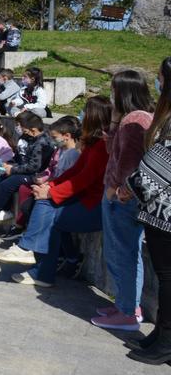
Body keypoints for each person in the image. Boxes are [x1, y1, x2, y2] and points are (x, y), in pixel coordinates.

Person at [0, 96, 111, 289]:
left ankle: (29, 253)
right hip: (85, 199)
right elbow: (74, 172)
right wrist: (50, 187)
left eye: (85, 111)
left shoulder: (101, 146)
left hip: (96, 205)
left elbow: (83, 179)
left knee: (49, 211)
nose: (82, 115)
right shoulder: (94, 143)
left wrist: (50, 192)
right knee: (46, 205)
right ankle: (38, 267)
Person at [92, 70, 154, 332]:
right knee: (126, 253)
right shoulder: (131, 118)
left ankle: (127, 312)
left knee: (122, 254)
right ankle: (127, 306)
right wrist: (114, 121)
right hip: (125, 195)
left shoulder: (135, 120)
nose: (110, 93)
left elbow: (127, 160)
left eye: (113, 89)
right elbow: (112, 150)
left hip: (122, 197)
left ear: (124, 92)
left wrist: (114, 189)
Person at [125, 57, 171, 364]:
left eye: (161, 78)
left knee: (169, 278)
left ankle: (167, 341)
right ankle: (161, 333)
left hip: (165, 211)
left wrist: (131, 183)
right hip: (160, 210)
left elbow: (159, 164)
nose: (158, 83)